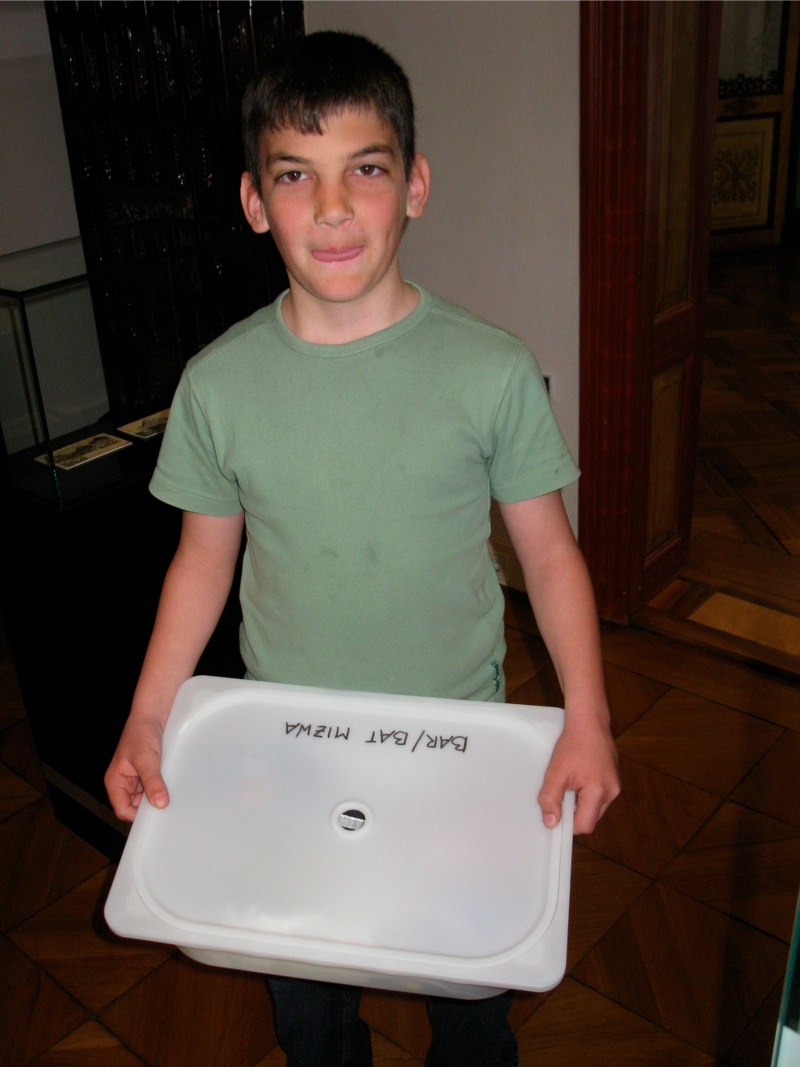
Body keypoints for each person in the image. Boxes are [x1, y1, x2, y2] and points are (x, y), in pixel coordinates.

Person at [105, 29, 620, 1067]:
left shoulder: (491, 371)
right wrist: (148, 714)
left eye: (366, 170)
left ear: (414, 184)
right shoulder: (216, 384)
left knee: (469, 995)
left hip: (457, 747)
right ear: (255, 201)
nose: (332, 207)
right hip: (289, 750)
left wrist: (588, 717)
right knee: (307, 1003)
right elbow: (202, 560)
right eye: (296, 175)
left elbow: (550, 557)